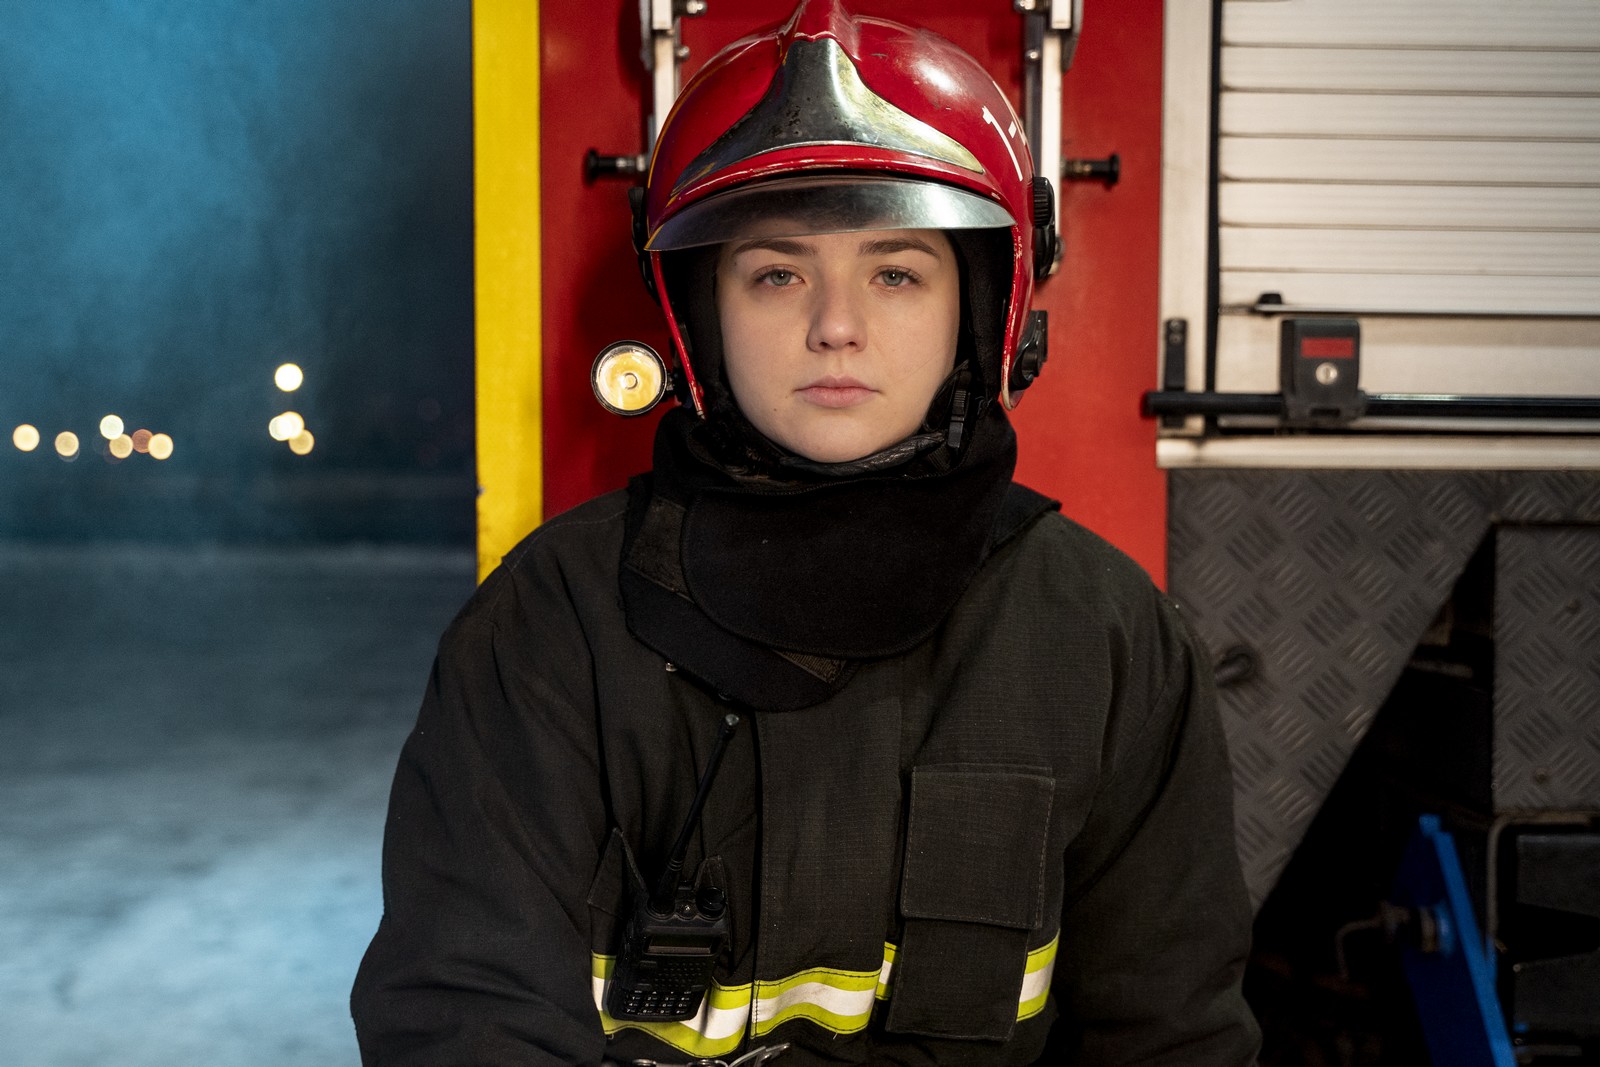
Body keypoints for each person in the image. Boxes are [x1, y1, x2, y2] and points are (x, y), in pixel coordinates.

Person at [351, 1, 1260, 1064]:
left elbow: (1172, 1039)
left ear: (980, 309)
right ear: (700, 313)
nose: (837, 325)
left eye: (896, 272)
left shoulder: (1104, 640)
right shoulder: (550, 626)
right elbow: (462, 1016)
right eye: (777, 273)